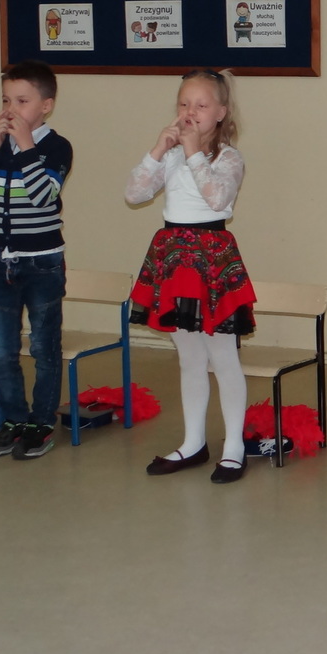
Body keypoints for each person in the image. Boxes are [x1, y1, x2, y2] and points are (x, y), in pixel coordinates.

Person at [125, 69, 256, 484]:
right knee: (189, 358)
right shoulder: (172, 156)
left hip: (210, 257)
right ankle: (193, 441)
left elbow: (217, 198)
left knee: (223, 357)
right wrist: (158, 150)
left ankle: (234, 447)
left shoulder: (229, 158)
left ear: (220, 112)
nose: (190, 112)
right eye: (184, 104)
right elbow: (134, 193)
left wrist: (194, 152)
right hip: (174, 258)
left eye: (201, 105)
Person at [0, 60, 74, 460]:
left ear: (46, 106)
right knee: (1, 351)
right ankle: (13, 421)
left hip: (41, 263)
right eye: (5, 100)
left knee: (44, 348)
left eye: (22, 101)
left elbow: (43, 196)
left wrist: (26, 146)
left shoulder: (56, 147)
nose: (11, 110)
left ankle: (41, 423)